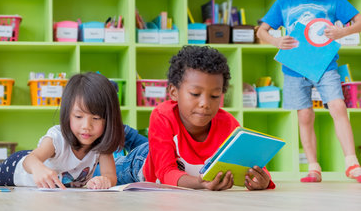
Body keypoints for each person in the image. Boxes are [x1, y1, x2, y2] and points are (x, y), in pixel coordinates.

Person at [256, 0, 361, 183]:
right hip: (294, 68)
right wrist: (275, 40)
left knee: (338, 108)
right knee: (304, 115)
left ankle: (352, 163)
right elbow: (261, 30)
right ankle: (313, 167)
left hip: (326, 65)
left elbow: (359, 21)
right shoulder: (284, 2)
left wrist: (343, 31)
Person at [116, 46, 274, 190]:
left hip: (161, 147)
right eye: (195, 94)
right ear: (173, 92)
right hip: (139, 164)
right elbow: (165, 173)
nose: (205, 103)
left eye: (214, 96)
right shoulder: (162, 115)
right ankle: (118, 131)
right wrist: (201, 183)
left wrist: (263, 180)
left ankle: (126, 133)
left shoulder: (228, 124)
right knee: (97, 173)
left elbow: (254, 165)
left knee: (146, 143)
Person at [0, 72, 124, 189]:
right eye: (78, 116)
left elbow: (110, 175)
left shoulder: (101, 144)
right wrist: (38, 169)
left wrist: (105, 181)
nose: (87, 126)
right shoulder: (57, 138)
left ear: (108, 119)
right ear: (67, 114)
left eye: (96, 118)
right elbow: (30, 160)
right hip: (17, 169)